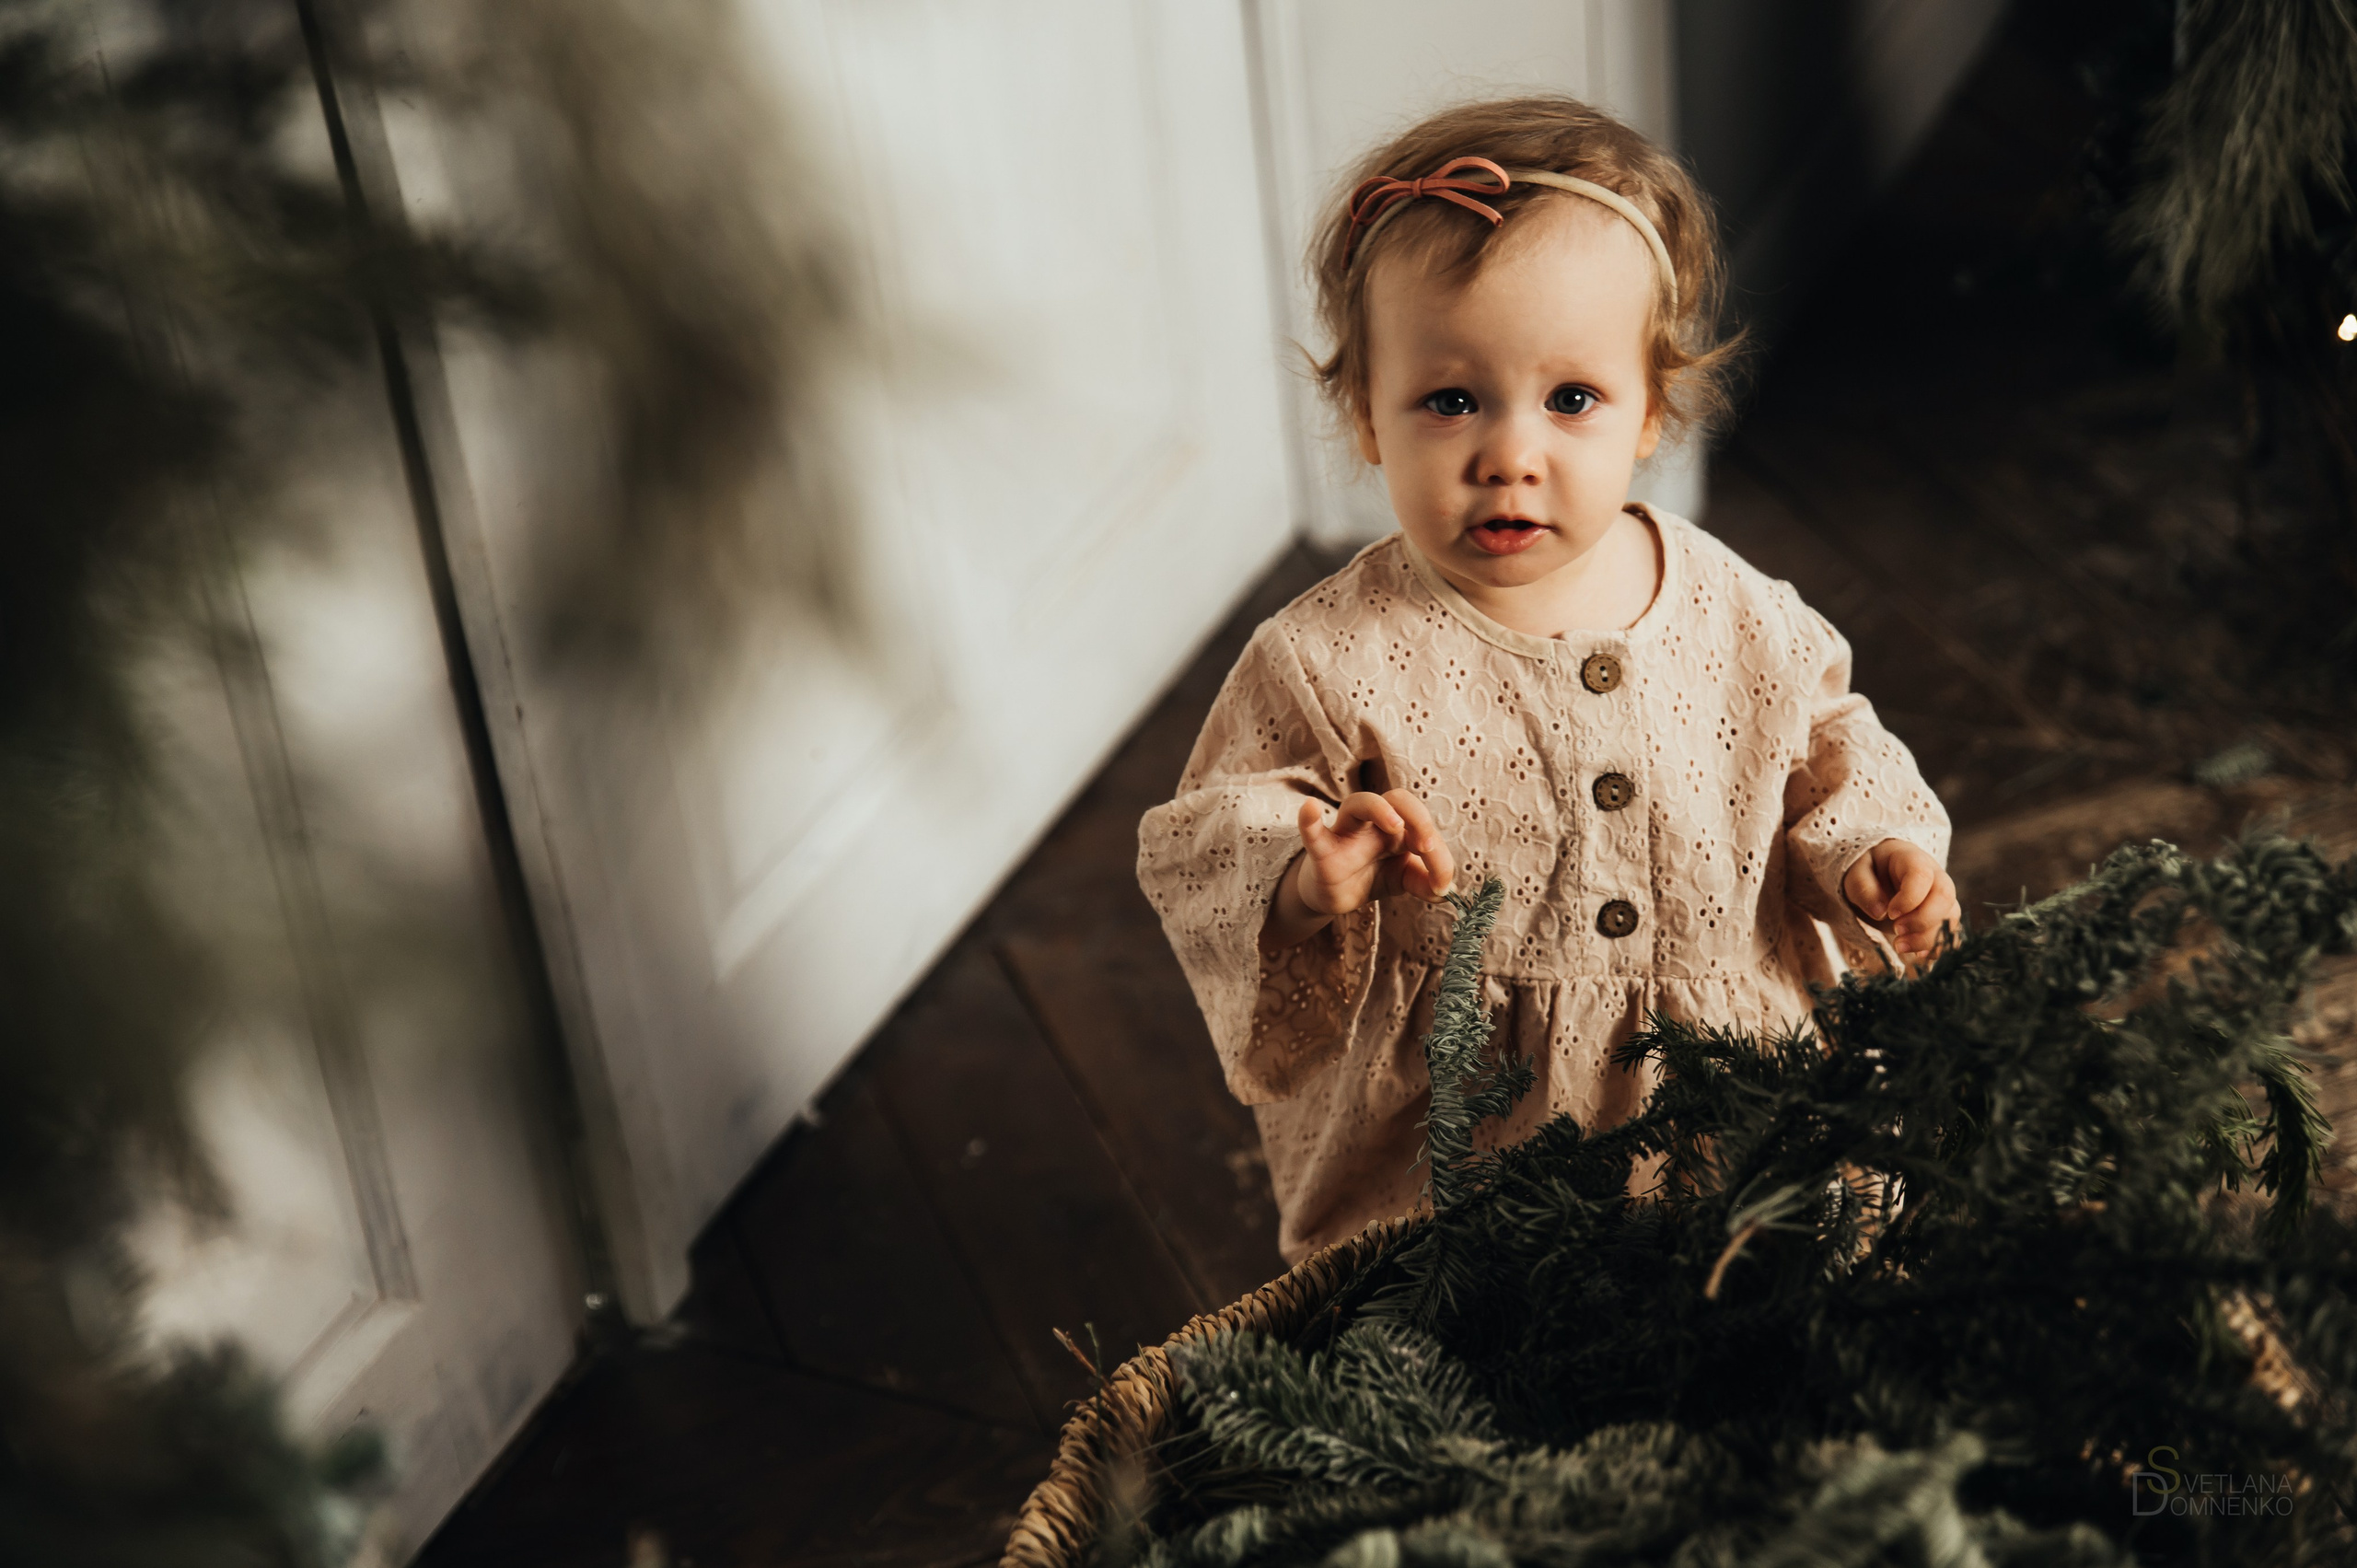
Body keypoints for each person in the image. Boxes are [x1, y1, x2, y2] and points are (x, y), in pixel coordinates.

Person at [1136, 96, 1957, 1266]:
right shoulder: (1327, 654)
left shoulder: (1734, 608)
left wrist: (1868, 845)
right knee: (1488, 1339)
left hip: (1739, 1087)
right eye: (1449, 399)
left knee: (1755, 1299)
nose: (1508, 453)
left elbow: (1829, 738)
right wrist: (1302, 870)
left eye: (1570, 399)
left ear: (1650, 411)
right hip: (1472, 1126)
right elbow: (1204, 836)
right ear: (1364, 412)